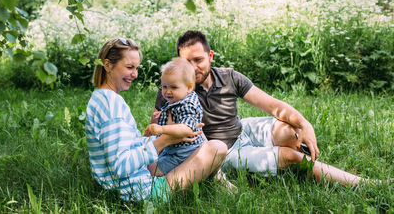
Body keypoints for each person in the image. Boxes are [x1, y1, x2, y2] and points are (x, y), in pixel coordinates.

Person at [153, 30, 370, 186]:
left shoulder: (229, 77)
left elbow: (273, 105)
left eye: (198, 60)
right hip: (224, 150)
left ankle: (305, 168)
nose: (192, 67)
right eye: (186, 62)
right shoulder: (173, 90)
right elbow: (163, 136)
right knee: (290, 156)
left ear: (210, 56)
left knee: (290, 132)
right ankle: (363, 184)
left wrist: (305, 124)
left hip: (242, 129)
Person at [85, 37, 227, 202]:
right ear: (108, 65)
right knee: (217, 147)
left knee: (199, 146)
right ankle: (218, 182)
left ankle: (218, 181)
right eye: (129, 67)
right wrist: (166, 140)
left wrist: (152, 135)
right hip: (142, 191)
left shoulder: (100, 98)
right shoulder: (111, 104)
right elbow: (120, 166)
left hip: (127, 184)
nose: (135, 74)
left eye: (136, 68)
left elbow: (122, 150)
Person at [144, 57, 206, 176]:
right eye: (164, 86)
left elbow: (186, 128)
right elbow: (176, 115)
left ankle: (168, 181)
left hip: (183, 153)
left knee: (150, 170)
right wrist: (162, 115)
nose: (167, 91)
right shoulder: (178, 99)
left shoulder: (188, 104)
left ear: (188, 87)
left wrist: (161, 129)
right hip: (173, 148)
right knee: (149, 161)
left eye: (173, 87)